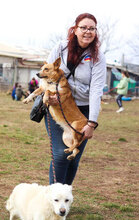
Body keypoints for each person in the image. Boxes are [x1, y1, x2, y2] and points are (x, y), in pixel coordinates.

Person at [44, 13, 106, 185]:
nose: (88, 31)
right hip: (58, 106)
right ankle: (54, 198)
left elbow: (96, 90)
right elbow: (47, 74)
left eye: (92, 28)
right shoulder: (61, 47)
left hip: (82, 111)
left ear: (95, 31)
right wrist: (51, 96)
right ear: (75, 29)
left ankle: (64, 198)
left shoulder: (98, 57)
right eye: (83, 27)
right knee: (60, 154)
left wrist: (92, 123)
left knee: (73, 158)